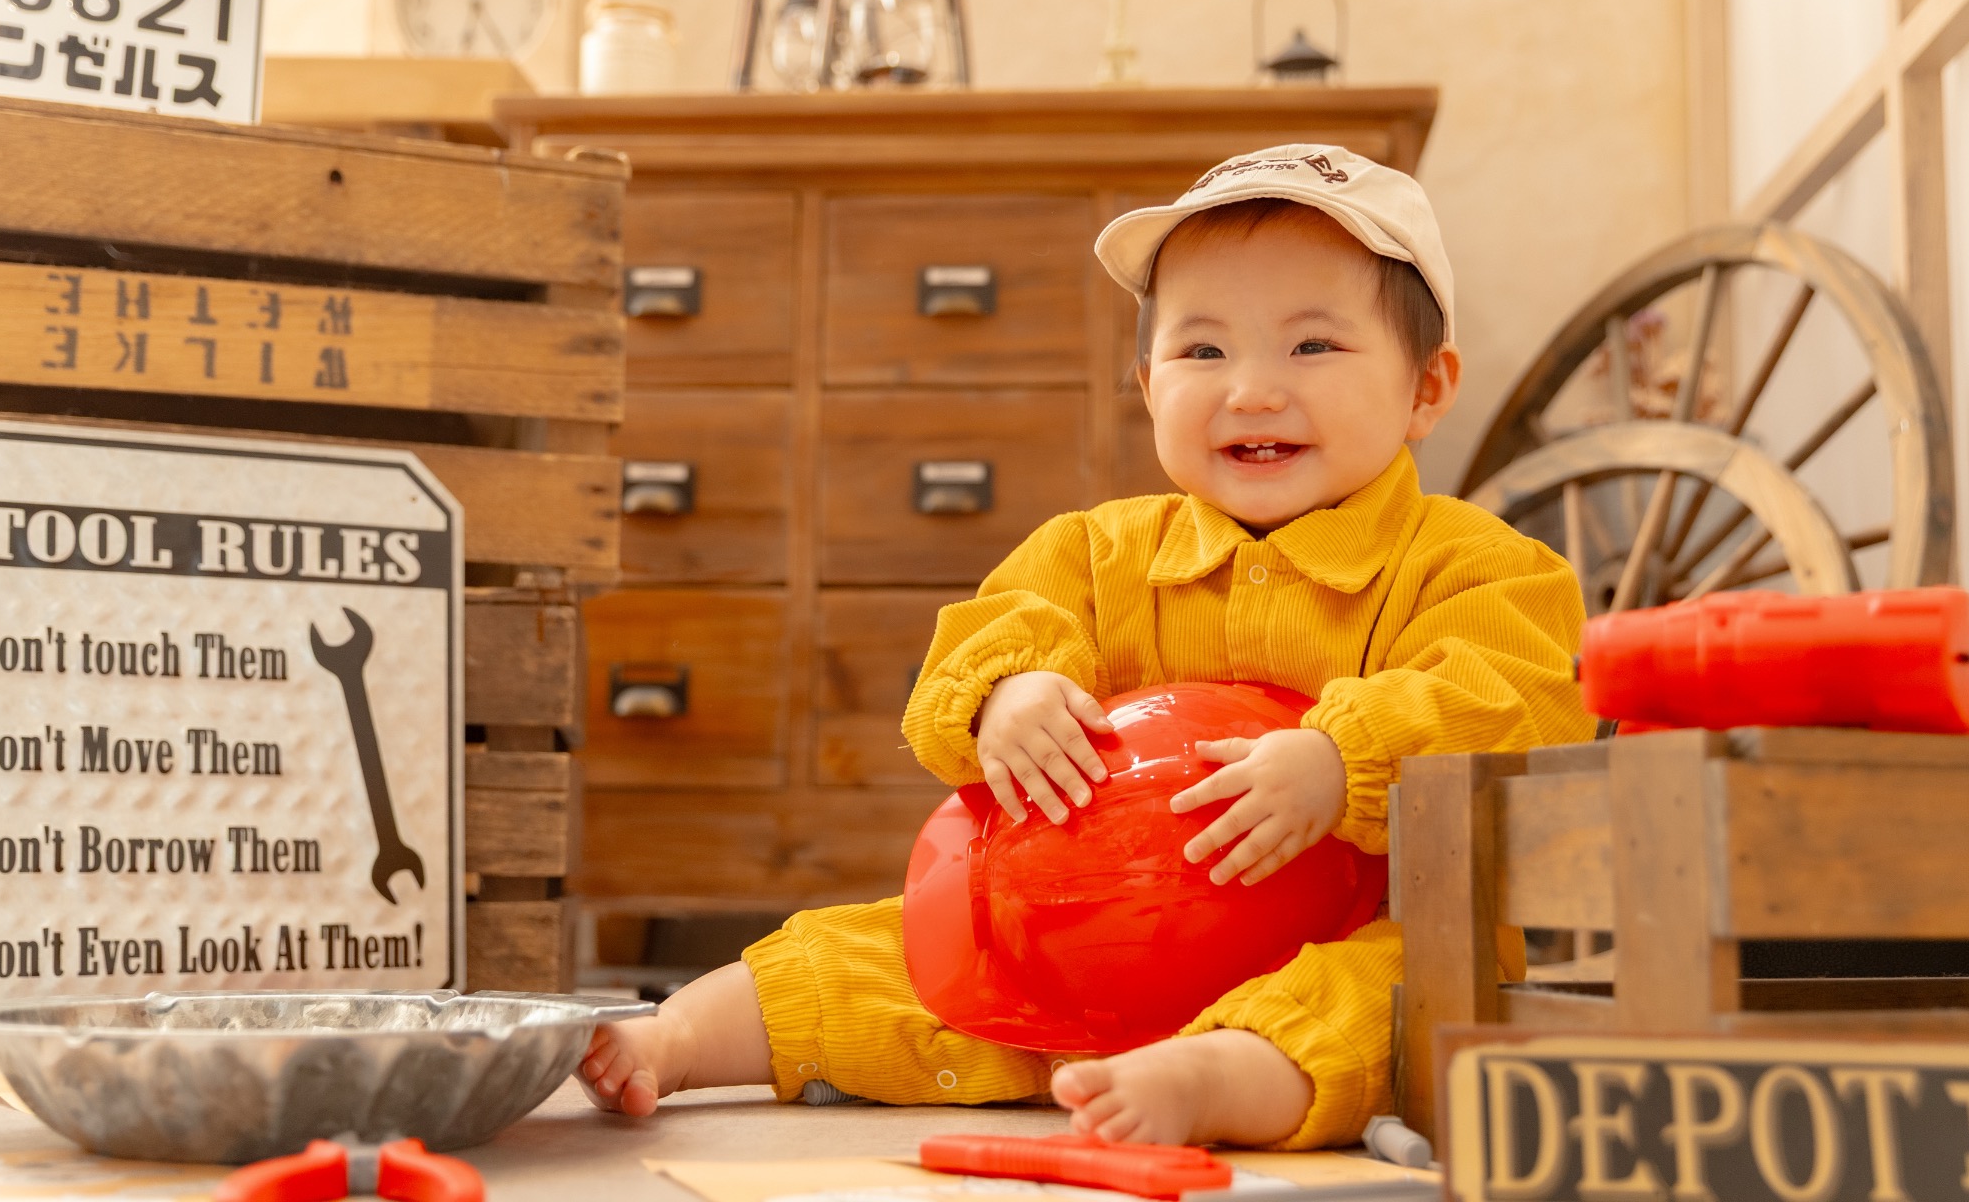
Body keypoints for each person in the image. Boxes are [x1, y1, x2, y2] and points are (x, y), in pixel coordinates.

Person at [578, 145, 1592, 1149]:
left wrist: (1348, 760)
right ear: (1147, 383)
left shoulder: (1482, 569)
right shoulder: (1096, 553)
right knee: (889, 953)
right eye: (1203, 352)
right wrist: (1009, 694)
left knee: (1393, 994)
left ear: (1427, 387)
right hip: (1089, 945)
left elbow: (1519, 706)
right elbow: (987, 638)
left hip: (1349, 930)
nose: (1250, 390)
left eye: (1312, 346)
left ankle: (1214, 1076)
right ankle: (680, 1035)